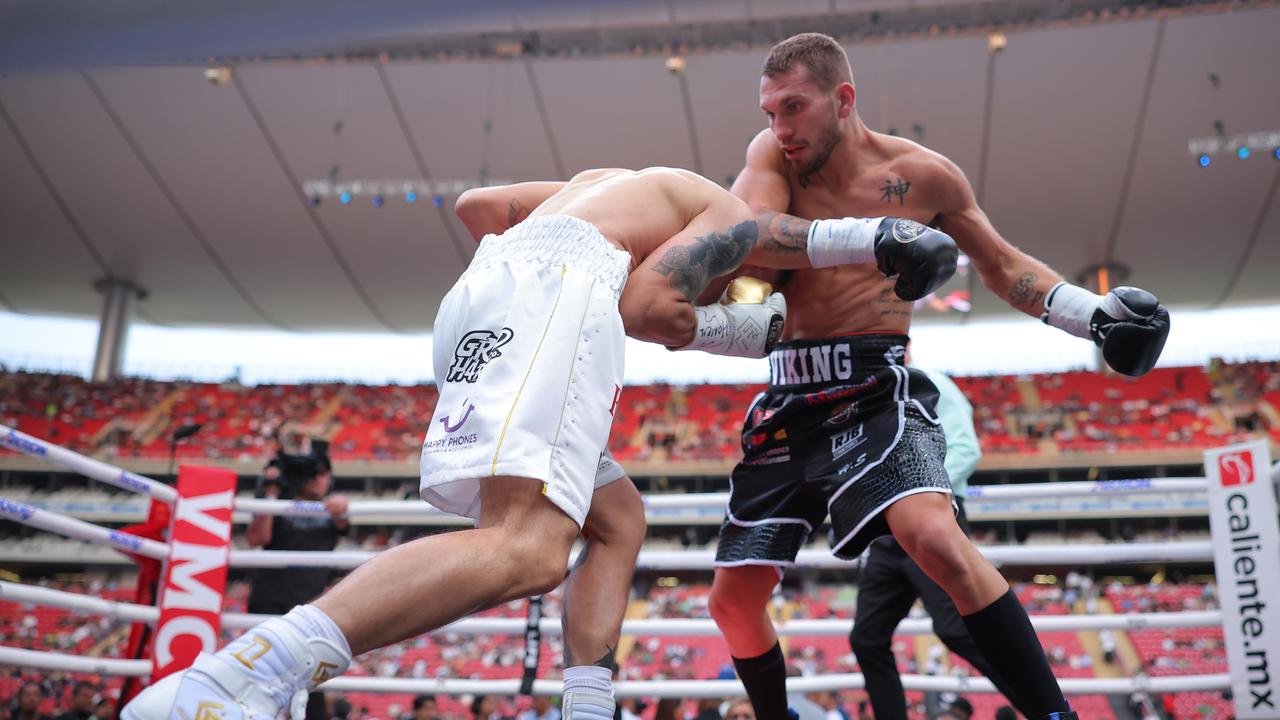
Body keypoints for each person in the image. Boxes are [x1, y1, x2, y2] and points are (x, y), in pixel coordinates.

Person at [125, 167, 950, 720]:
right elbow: (651, 312)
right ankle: (241, 677)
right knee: (525, 547)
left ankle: (586, 706)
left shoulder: (607, 184)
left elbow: (476, 208)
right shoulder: (725, 215)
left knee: (617, 520)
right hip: (550, 300)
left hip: (482, 300)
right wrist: (753, 328)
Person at [707, 32, 1169, 720]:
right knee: (732, 601)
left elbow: (1003, 266)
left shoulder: (925, 176)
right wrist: (874, 236)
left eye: (793, 108)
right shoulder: (772, 156)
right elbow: (749, 232)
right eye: (770, 111)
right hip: (788, 391)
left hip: (873, 386)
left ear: (843, 99)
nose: (779, 127)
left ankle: (1055, 715)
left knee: (934, 536)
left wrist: (1093, 318)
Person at [850, 350, 1033, 719]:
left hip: (932, 518)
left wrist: (914, 491)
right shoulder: (863, 396)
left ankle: (1045, 709)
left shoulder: (930, 383)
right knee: (867, 637)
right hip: (887, 527)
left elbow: (966, 449)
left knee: (957, 630)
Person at [245, 443, 348, 720]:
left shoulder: (331, 509)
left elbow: (343, 522)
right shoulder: (276, 503)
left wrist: (340, 508)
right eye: (314, 473)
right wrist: (270, 495)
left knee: (309, 680)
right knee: (262, 678)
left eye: (324, 473)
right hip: (269, 599)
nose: (319, 478)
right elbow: (257, 538)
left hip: (308, 607)